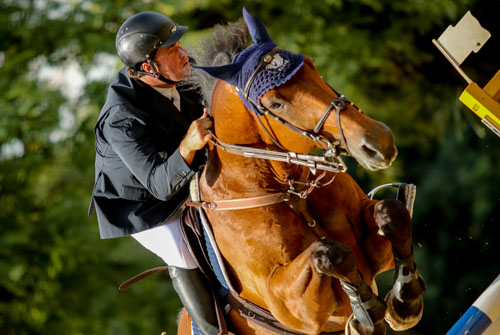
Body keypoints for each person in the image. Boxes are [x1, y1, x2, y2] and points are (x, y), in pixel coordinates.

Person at [88, 11, 221, 335]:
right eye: (173, 51)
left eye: (180, 45)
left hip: (187, 181)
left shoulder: (183, 79)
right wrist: (189, 145)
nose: (184, 53)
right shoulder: (121, 117)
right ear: (149, 68)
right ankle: (210, 331)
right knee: (182, 248)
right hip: (142, 205)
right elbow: (161, 185)